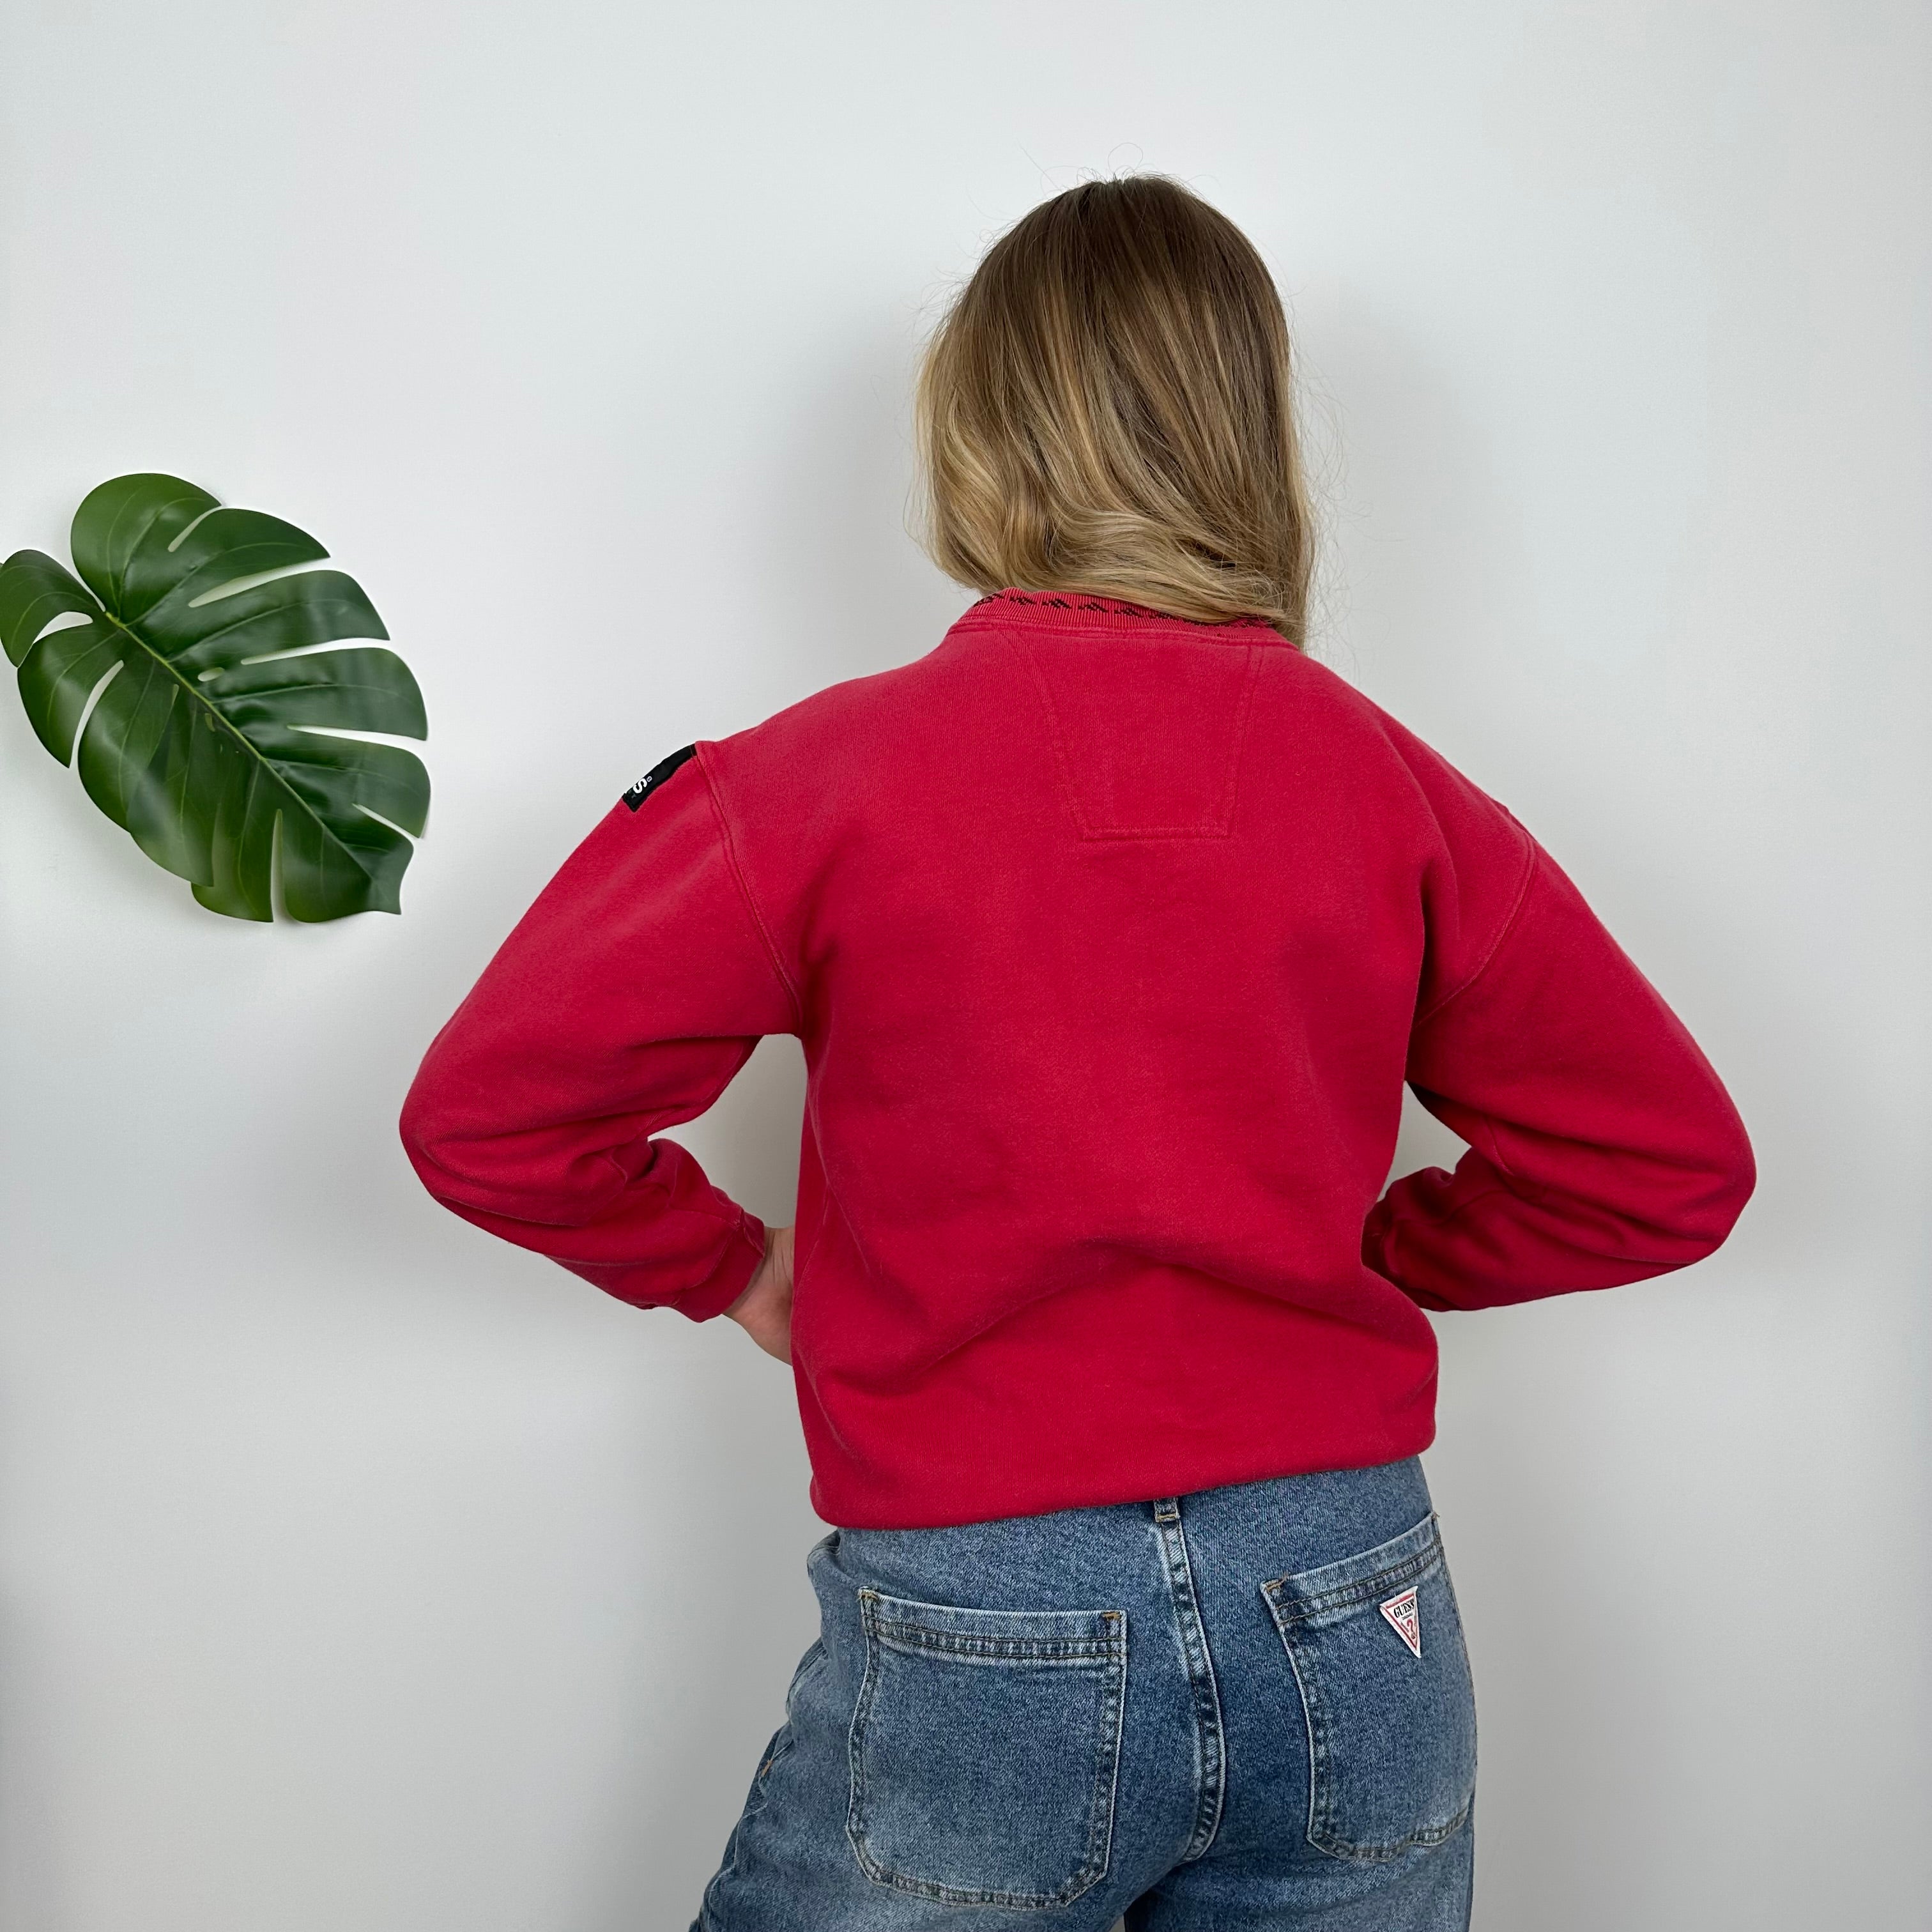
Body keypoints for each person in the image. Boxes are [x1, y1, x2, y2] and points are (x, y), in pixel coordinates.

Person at [398, 176, 1754, 1931]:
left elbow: (489, 1114)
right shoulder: (1386, 785)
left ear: (976, 437)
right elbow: (1670, 1168)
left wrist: (734, 1268)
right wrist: (1380, 1254)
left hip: (986, 1619)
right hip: (1355, 1604)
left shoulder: (817, 783)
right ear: (1254, 439)